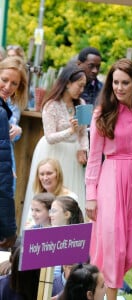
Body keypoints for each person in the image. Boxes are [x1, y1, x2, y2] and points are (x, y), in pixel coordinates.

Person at [85, 58, 132, 300]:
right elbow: (94, 157)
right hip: (110, 179)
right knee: (112, 245)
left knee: (129, 251)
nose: (119, 88)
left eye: (125, 83)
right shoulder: (102, 112)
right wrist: (91, 196)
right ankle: (107, 296)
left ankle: (105, 291)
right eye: (115, 82)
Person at [21, 65, 88, 230]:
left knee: (70, 193)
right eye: (79, 85)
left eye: (83, 86)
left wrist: (83, 148)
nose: (81, 89)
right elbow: (50, 137)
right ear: (67, 83)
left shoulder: (82, 104)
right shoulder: (51, 105)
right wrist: (70, 130)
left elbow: (84, 132)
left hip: (73, 154)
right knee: (49, 193)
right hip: (53, 152)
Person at [0, 56, 27, 249]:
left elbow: (11, 131)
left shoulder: (10, 105)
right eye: (4, 80)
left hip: (7, 162)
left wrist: (17, 131)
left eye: (14, 83)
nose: (8, 86)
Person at [21, 158, 78, 229]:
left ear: (58, 174)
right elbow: (30, 223)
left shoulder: (70, 197)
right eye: (42, 174)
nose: (45, 178)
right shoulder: (37, 198)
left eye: (49, 173)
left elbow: (73, 226)